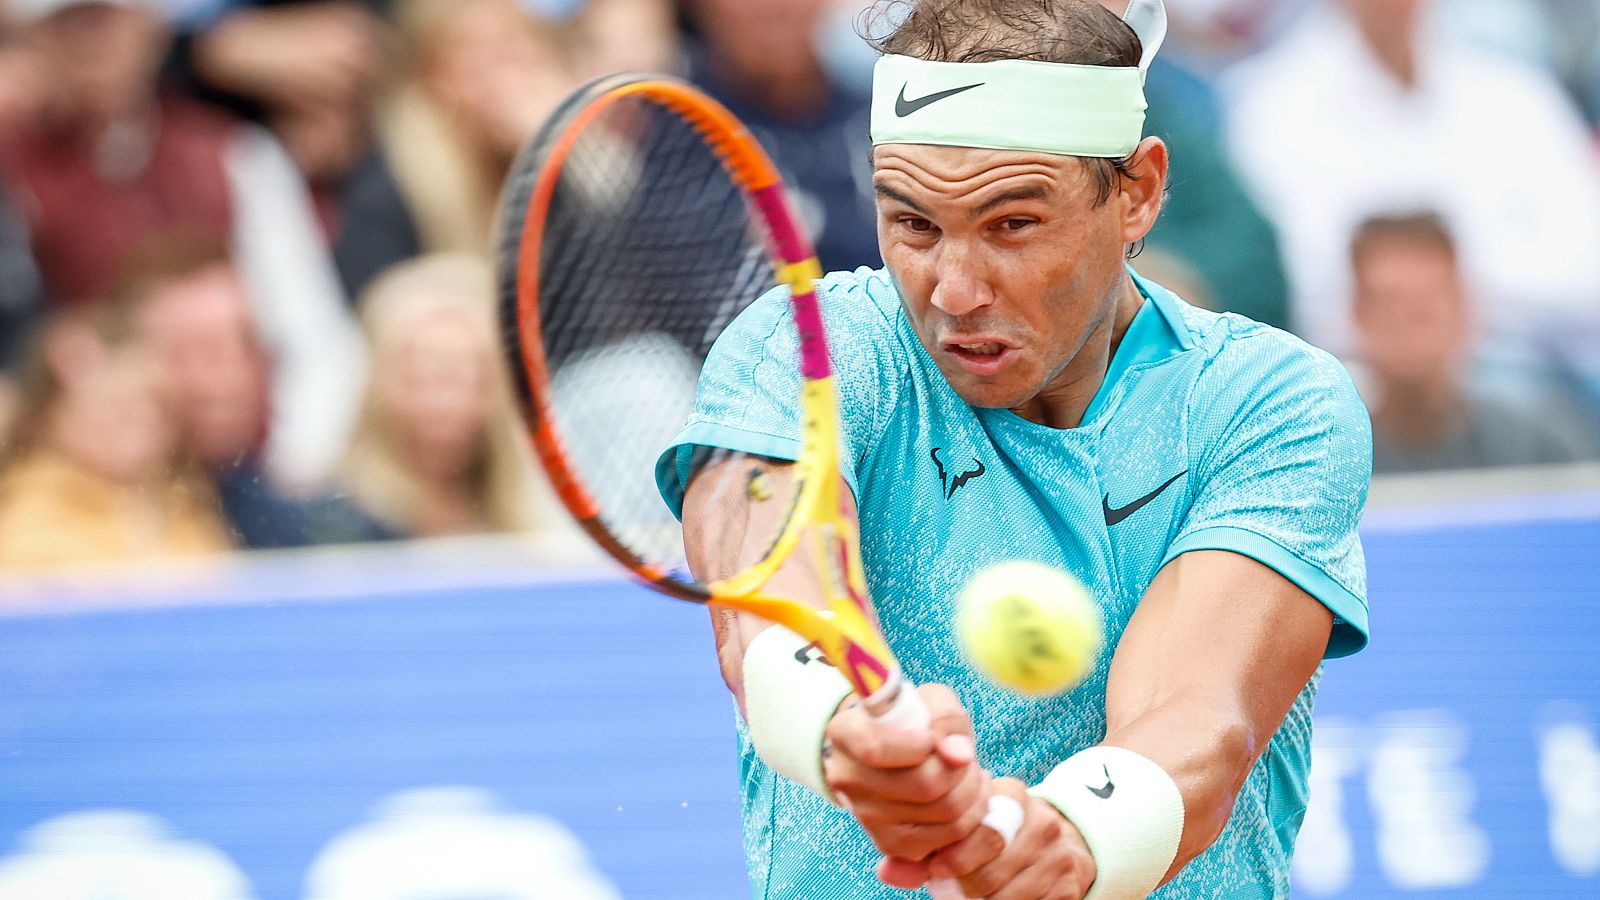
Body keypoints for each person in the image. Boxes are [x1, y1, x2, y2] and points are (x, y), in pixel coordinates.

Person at [657, 0, 1371, 897]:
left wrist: (1070, 841)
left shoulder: (1272, 402)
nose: (954, 291)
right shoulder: (801, 350)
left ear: (1138, 192)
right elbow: (768, 608)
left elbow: (1197, 714)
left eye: (1012, 225)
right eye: (913, 223)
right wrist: (845, 731)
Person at [0, 0, 368, 492]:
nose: (91, 42)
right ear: (34, 41)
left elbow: (313, 339)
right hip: (78, 472)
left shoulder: (234, 153)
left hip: (244, 472)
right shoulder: (12, 166)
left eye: (106, 20)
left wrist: (291, 471)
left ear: (150, 29)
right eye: (67, 25)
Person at [1222, 0, 1600, 357]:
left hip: (1545, 366)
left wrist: (1435, 292)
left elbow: (1585, 264)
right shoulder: (1271, 106)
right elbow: (1317, 288)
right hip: (1358, 379)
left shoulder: (1515, 92)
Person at [1348, 212, 1598, 474]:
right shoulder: (1329, 465)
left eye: (1425, 306)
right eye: (1389, 305)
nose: (1412, 329)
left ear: (1463, 306)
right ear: (1357, 313)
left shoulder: (1540, 449)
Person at [0, 292, 232, 570]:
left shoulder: (186, 507)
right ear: (48, 417)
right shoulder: (29, 519)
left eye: (150, 402)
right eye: (108, 404)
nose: (132, 421)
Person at [340, 254, 535, 539]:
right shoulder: (334, 523)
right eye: (424, 378)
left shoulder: (532, 519)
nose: (446, 404)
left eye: (469, 380)